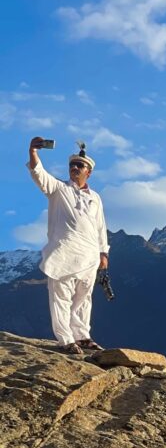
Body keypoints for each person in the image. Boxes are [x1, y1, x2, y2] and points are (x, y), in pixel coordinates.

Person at [26, 137, 109, 355]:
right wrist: (33, 152)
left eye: (79, 165)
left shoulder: (96, 198)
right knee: (61, 297)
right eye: (72, 165)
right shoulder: (59, 189)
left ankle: (82, 336)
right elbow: (39, 175)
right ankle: (65, 339)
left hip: (89, 255)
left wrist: (103, 252)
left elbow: (100, 226)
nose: (74, 168)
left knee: (83, 297)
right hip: (64, 253)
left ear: (88, 172)